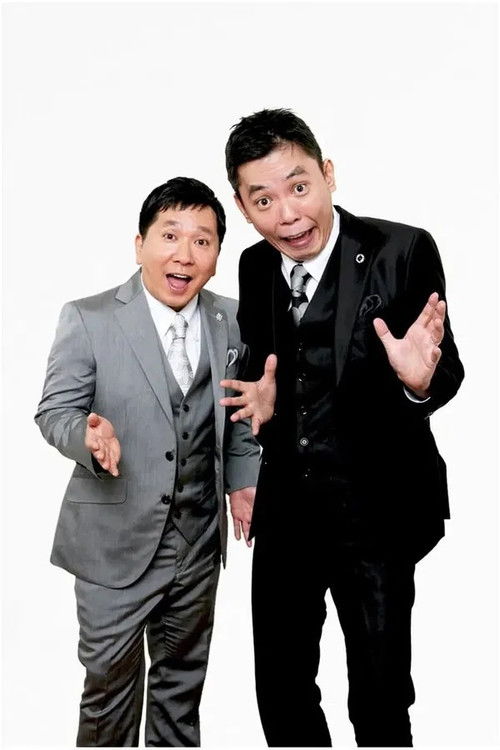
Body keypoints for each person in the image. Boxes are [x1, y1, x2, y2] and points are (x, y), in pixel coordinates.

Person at [220, 109, 464, 747]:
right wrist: (261, 408)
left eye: (299, 187)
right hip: (287, 513)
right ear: (243, 207)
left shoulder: (401, 250)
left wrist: (418, 381)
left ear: (328, 174)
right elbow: (262, 372)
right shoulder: (253, 267)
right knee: (281, 693)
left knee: (380, 701)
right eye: (263, 200)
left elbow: (447, 371)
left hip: (376, 511)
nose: (288, 215)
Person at [35, 176, 260, 747]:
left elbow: (238, 414)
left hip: (198, 541)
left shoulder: (234, 320)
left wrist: (243, 481)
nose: (185, 255)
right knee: (108, 694)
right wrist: (85, 437)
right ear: (140, 245)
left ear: (216, 254)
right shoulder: (88, 318)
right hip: (113, 541)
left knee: (180, 694)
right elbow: (55, 412)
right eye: (170, 235)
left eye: (203, 241)